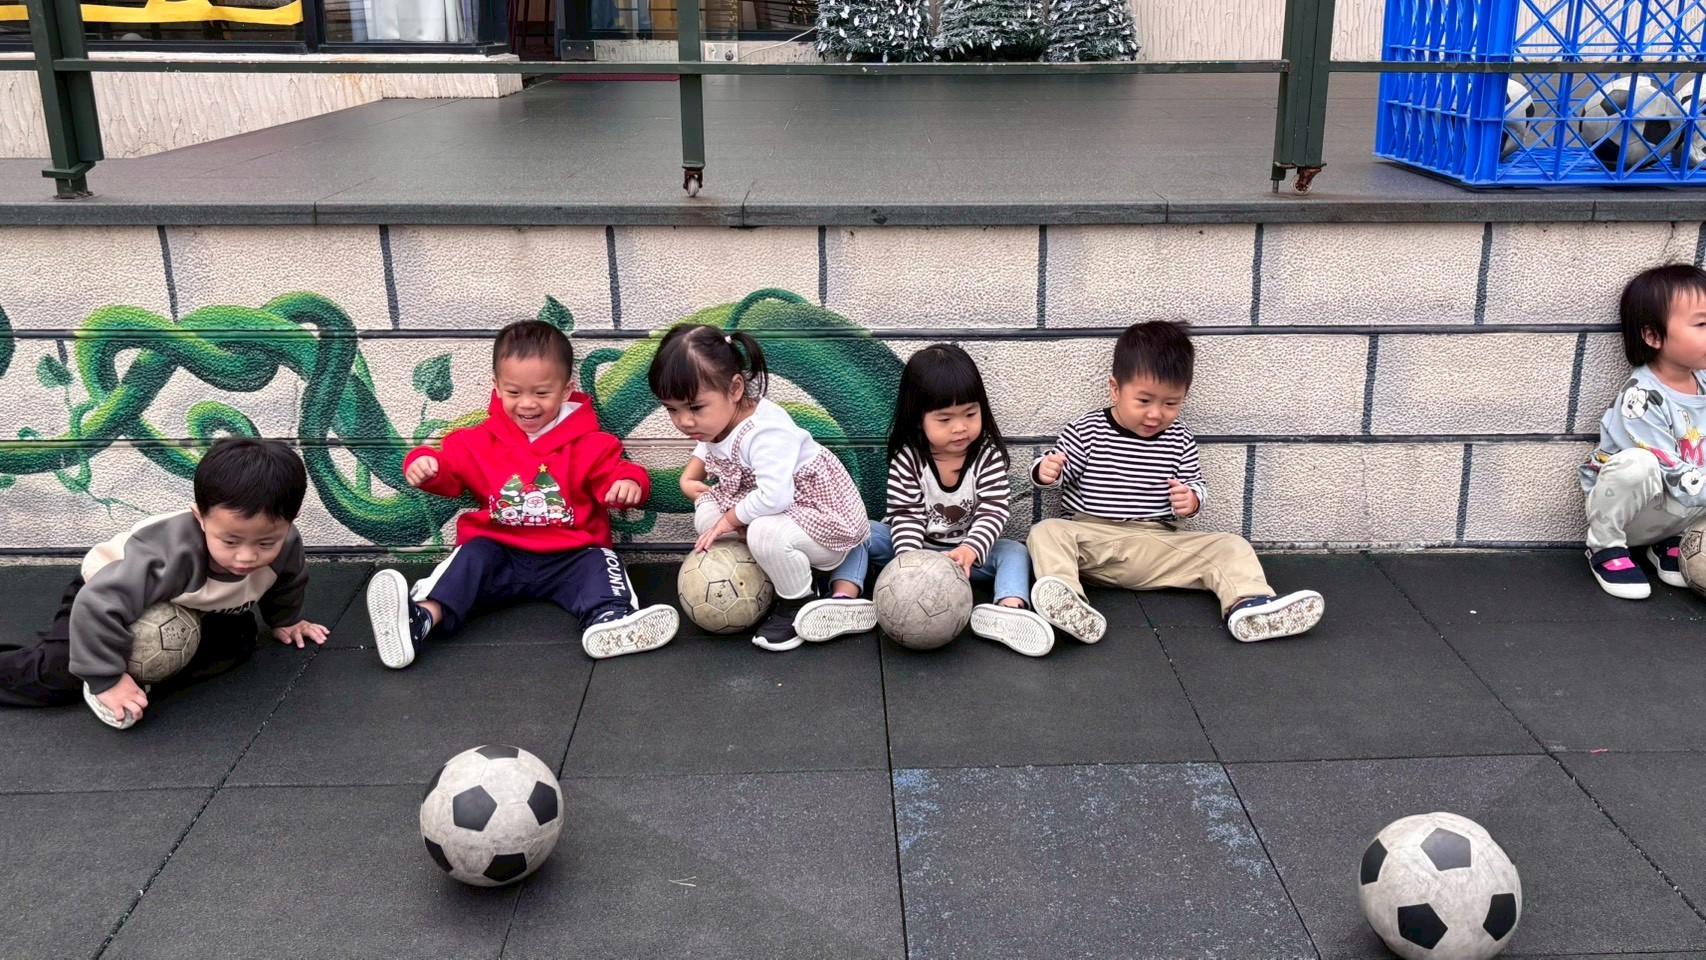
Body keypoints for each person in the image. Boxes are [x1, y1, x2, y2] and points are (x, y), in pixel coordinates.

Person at [365, 320, 678, 665]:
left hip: (571, 555)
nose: (527, 404)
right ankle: (421, 618)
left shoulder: (590, 443)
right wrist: (424, 463)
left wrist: (629, 483)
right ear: (497, 388)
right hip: (500, 553)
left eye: (541, 393)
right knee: (470, 558)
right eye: (514, 392)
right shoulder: (477, 440)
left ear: (566, 389)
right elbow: (447, 468)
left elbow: (617, 469)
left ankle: (611, 621)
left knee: (601, 563)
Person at [1028, 320, 1324, 643]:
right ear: (1115, 389)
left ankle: (1250, 605)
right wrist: (1046, 471)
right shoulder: (1087, 430)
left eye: (1170, 403)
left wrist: (1191, 500)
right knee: (1046, 532)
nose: (1156, 414)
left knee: (1232, 545)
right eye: (1144, 401)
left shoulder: (1180, 439)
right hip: (1093, 541)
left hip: (1157, 544)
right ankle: (1069, 603)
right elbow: (1059, 469)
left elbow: (1194, 482)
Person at [0, 437, 328, 728]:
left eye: (266, 543)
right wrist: (106, 678)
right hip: (104, 595)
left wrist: (287, 620)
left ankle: (137, 672)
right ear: (200, 517)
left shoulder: (286, 543)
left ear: (290, 521)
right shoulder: (166, 556)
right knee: (57, 674)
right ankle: (98, 672)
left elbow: (288, 581)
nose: (247, 556)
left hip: (193, 606)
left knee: (238, 643)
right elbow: (97, 604)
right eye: (230, 541)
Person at [649, 324, 873, 651]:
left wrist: (731, 521)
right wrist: (689, 477)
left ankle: (799, 602)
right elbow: (708, 442)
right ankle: (773, 568)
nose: (684, 421)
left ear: (735, 388)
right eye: (672, 409)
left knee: (761, 533)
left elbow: (775, 496)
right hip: (780, 508)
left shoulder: (766, 433)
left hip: (822, 517)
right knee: (707, 515)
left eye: (695, 407)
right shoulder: (719, 419)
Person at [828, 343, 1054, 656]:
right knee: (861, 531)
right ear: (918, 418)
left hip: (964, 556)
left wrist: (970, 549)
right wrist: (911, 567)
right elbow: (905, 515)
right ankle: (844, 598)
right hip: (912, 547)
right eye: (945, 419)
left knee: (1015, 551)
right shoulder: (909, 458)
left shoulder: (986, 457)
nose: (960, 427)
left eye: (970, 414)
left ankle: (1009, 608)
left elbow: (994, 511)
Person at [1581, 263, 1706, 599]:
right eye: (1702, 324)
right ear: (1653, 336)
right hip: (1632, 515)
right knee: (1638, 464)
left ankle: (1671, 542)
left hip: (1681, 507)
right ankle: (1604, 547)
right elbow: (1672, 472)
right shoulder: (1642, 398)